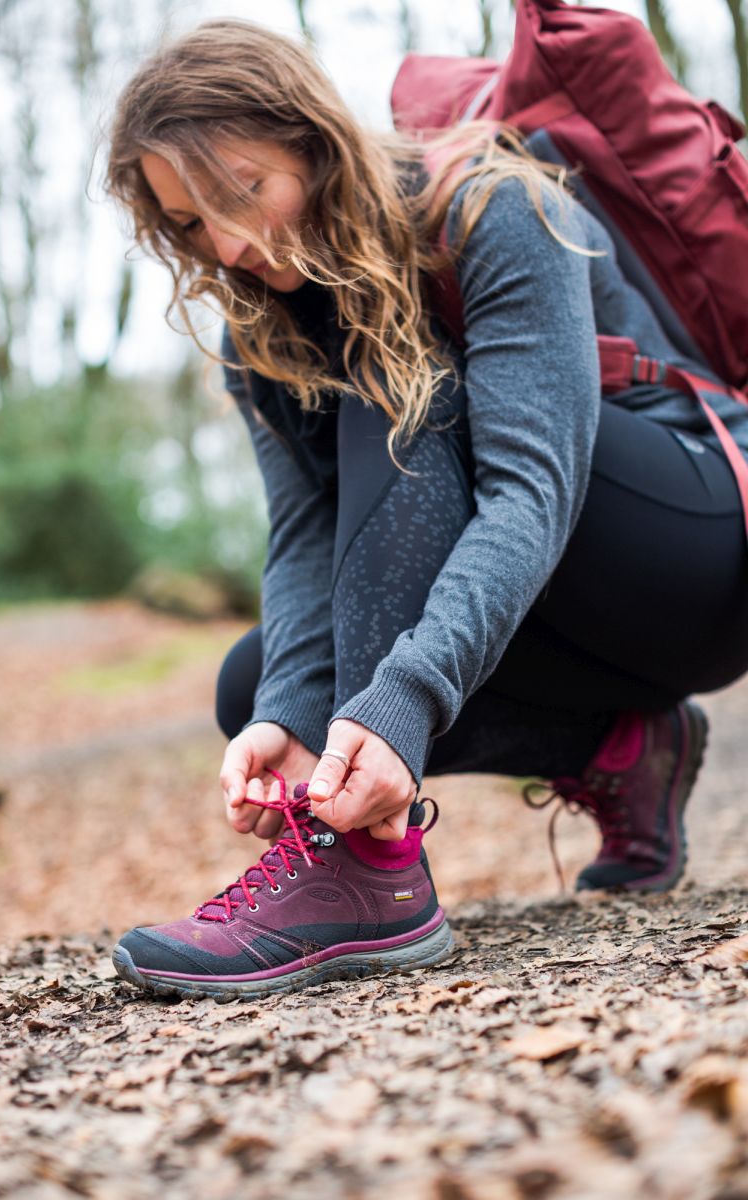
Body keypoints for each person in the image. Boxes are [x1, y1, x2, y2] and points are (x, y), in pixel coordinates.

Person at [104, 17, 748, 1000]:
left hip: (695, 540)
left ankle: (364, 867)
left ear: (313, 142)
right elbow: (306, 537)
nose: (228, 242)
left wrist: (398, 704)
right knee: (262, 682)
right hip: (568, 600)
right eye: (189, 221)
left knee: (399, 379)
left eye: (245, 190)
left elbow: (531, 490)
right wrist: (289, 712)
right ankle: (628, 751)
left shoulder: (492, 203)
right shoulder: (257, 333)